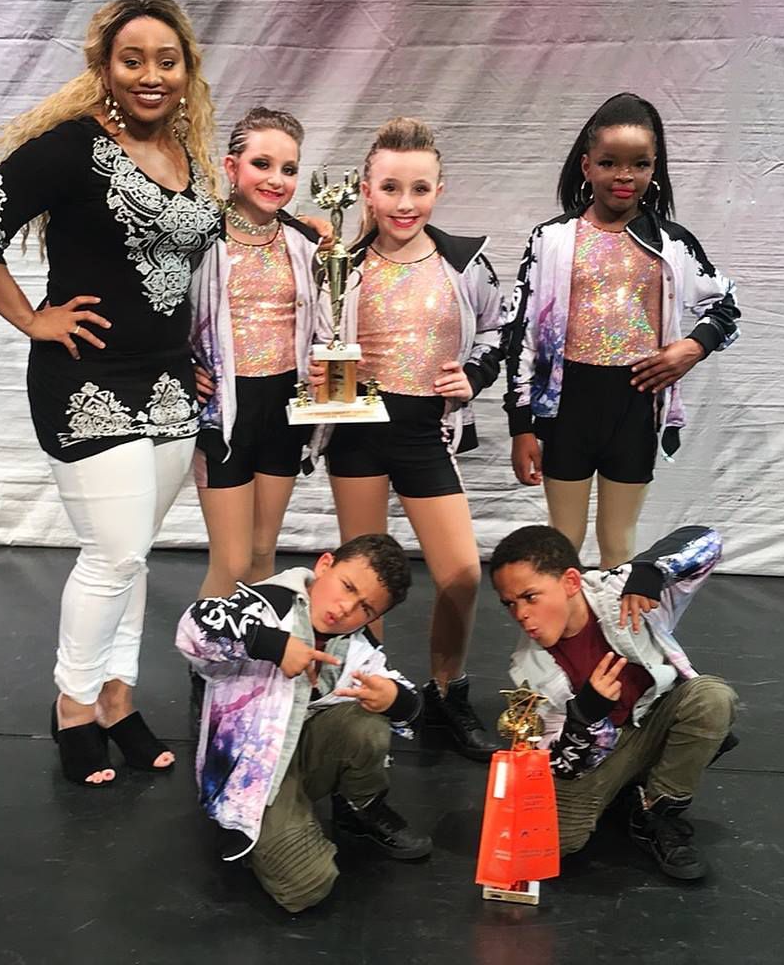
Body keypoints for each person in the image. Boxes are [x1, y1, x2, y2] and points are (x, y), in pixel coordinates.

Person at [0, 0, 225, 786]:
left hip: (168, 387)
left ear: (187, 71)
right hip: (87, 382)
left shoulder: (193, 159)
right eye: (134, 60)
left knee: (134, 559)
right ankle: (72, 706)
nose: (152, 75)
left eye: (168, 60)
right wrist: (32, 317)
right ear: (105, 70)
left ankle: (118, 699)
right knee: (114, 552)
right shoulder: (70, 149)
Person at [308, 117, 504, 762]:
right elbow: (309, 330)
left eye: (419, 189)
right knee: (365, 582)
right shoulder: (341, 264)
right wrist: (320, 367)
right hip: (359, 431)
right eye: (390, 188)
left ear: (439, 190)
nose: (404, 203)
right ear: (365, 190)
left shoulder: (465, 262)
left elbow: (501, 332)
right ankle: (375, 689)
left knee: (462, 574)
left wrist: (472, 375)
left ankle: (448, 690)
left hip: (423, 431)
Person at [502, 93, 741, 568]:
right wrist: (521, 425)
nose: (624, 176)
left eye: (640, 164)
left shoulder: (671, 243)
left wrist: (691, 348)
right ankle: (561, 637)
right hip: (568, 401)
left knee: (618, 540)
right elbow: (521, 332)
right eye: (610, 163)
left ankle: (615, 638)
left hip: (634, 399)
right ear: (587, 166)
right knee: (562, 541)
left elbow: (724, 305)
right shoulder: (552, 238)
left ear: (656, 168)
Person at [175, 533, 431, 914]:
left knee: (369, 721)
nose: (346, 608)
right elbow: (194, 627)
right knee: (307, 886)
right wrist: (274, 645)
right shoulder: (265, 605)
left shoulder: (357, 645)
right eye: (346, 587)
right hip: (252, 773)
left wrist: (396, 699)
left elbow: (412, 703)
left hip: (303, 753)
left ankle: (358, 806)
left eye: (365, 609)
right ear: (324, 564)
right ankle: (264, 828)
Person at [489, 523, 738, 880]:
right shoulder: (528, 670)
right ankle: (627, 790)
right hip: (607, 753)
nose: (521, 614)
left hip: (657, 721)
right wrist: (585, 716)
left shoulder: (623, 593)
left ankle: (655, 812)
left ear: (571, 582)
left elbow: (708, 541)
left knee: (711, 699)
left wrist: (653, 569)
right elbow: (561, 767)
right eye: (509, 604)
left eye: (531, 596)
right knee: (555, 842)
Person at [190, 107, 320, 596]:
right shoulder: (201, 239)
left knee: (264, 551)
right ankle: (205, 664)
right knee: (232, 558)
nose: (276, 179)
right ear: (231, 168)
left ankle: (254, 666)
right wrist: (180, 366)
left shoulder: (304, 241)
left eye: (288, 169)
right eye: (262, 164)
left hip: (285, 406)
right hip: (224, 411)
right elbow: (159, 311)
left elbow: (324, 318)